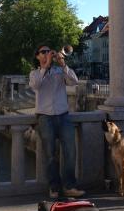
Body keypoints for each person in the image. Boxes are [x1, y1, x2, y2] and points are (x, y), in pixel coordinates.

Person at [29, 43, 85, 199]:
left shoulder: (60, 71)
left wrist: (63, 63)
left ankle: (69, 186)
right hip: (45, 116)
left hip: (63, 115)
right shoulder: (34, 74)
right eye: (43, 52)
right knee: (50, 155)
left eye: (49, 51)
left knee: (70, 152)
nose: (47, 54)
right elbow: (36, 85)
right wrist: (46, 67)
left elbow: (74, 81)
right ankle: (54, 187)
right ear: (38, 56)